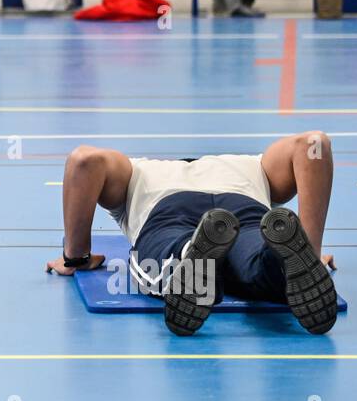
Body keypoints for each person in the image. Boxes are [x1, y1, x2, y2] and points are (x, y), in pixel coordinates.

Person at [45, 131, 339, 336]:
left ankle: (187, 254)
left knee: (170, 252)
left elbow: (83, 161)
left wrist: (76, 257)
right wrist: (311, 251)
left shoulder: (138, 171)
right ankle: (285, 262)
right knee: (257, 259)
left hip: (167, 212)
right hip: (245, 207)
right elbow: (314, 145)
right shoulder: (253, 165)